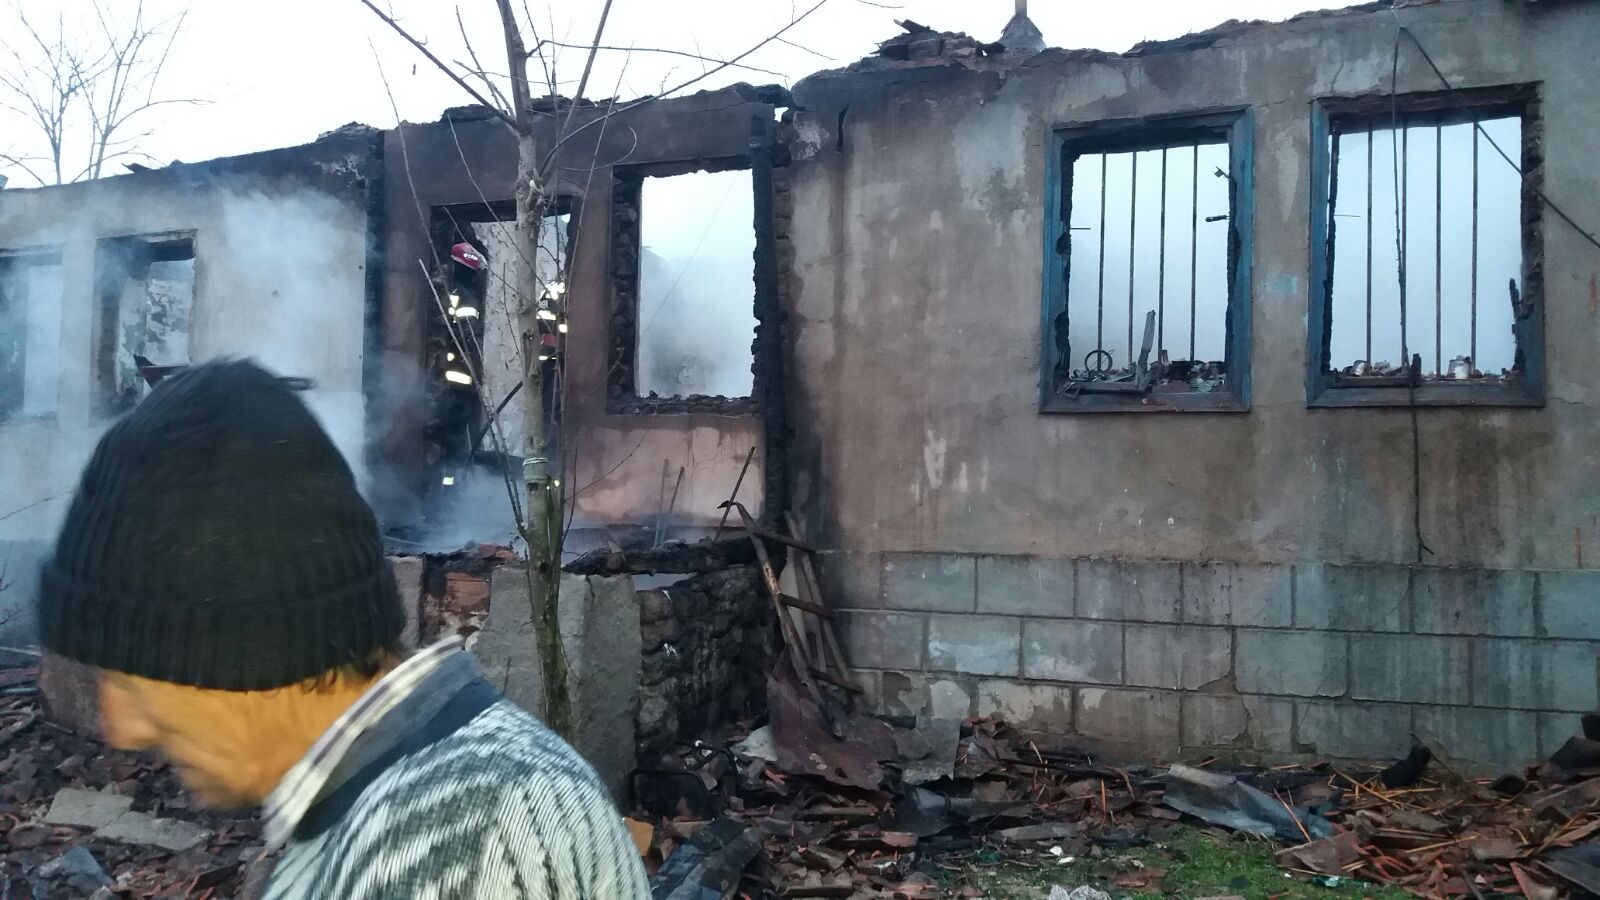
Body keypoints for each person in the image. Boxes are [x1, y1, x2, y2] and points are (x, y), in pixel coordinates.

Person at [36, 359, 648, 899]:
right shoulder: (386, 800)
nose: (123, 725)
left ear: (261, 642)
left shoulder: (453, 836)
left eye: (138, 673)